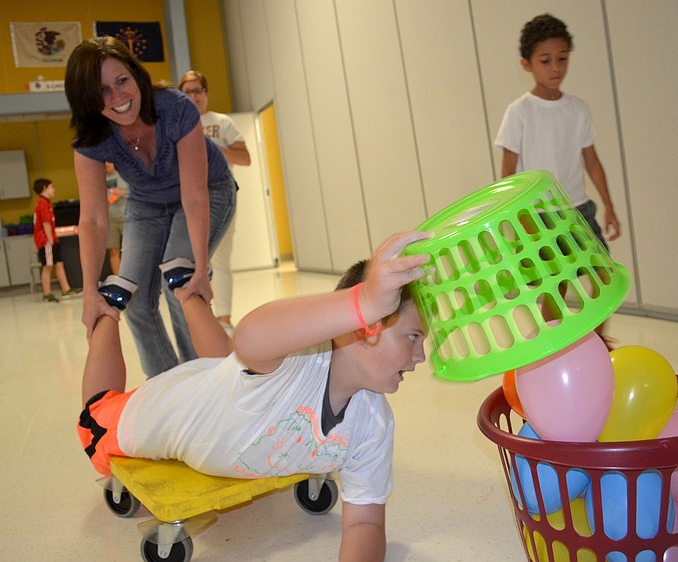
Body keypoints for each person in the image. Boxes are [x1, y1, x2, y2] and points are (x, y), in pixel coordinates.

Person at [78, 230, 432, 561]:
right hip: (177, 407)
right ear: (364, 327)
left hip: (229, 389)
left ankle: (185, 290)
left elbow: (365, 523)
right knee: (95, 414)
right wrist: (365, 301)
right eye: (413, 337)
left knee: (234, 365)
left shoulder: (374, 424)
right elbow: (251, 337)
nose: (421, 356)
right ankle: (110, 307)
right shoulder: (294, 361)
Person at [64, 36, 237, 377]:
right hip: (147, 203)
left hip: (208, 189)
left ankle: (202, 378)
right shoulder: (91, 137)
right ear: (87, 98)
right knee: (134, 301)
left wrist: (201, 270)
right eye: (102, 90)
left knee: (181, 285)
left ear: (136, 75)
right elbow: (95, 219)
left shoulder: (174, 108)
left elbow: (194, 195)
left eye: (122, 81)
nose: (118, 98)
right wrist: (88, 294)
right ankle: (169, 385)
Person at [494, 13, 621, 347]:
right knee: (557, 282)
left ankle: (595, 340)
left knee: (604, 275)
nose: (555, 68)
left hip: (578, 209)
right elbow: (507, 170)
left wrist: (608, 205)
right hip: (537, 213)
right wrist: (512, 215)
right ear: (527, 64)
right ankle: (553, 343)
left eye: (562, 59)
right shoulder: (519, 112)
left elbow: (591, 161)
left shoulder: (577, 108)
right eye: (545, 60)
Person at [178, 70, 251, 334]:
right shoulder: (175, 125)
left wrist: (210, 147)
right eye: (187, 92)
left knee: (220, 260)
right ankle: (199, 318)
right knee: (192, 260)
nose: (194, 96)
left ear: (206, 94)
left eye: (198, 90)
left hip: (221, 198)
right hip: (188, 202)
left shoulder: (222, 123)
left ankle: (224, 319)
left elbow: (245, 158)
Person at [32, 178, 79, 302]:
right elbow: (46, 223)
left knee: (59, 263)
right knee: (47, 266)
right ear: (44, 188)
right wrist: (50, 239)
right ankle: (47, 293)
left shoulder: (46, 202)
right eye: (51, 187)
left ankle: (66, 289)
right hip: (46, 240)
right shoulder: (42, 203)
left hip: (52, 239)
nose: (54, 190)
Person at [104, 162, 128, 275]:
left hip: (126, 216)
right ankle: (118, 278)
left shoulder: (123, 175)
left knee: (130, 249)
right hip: (110, 218)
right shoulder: (102, 178)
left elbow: (133, 191)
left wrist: (120, 193)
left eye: (108, 163)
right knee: (113, 250)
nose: (105, 165)